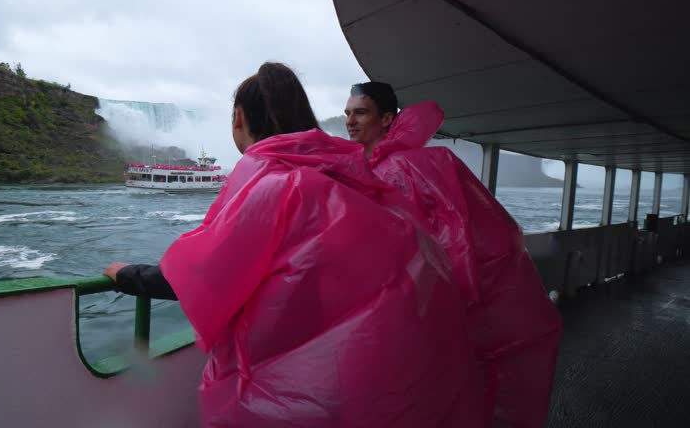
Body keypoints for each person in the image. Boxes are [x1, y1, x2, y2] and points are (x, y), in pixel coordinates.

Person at [103, 63, 483, 427]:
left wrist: (125, 275)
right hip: (375, 383)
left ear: (238, 119)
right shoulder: (353, 176)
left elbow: (201, 278)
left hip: (298, 399)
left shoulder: (274, 187)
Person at [346, 81, 562, 428]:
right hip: (390, 310)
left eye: (360, 112)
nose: (350, 121)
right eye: (347, 113)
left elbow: (452, 237)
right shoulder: (367, 171)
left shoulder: (406, 169)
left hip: (412, 312)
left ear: (386, 118)